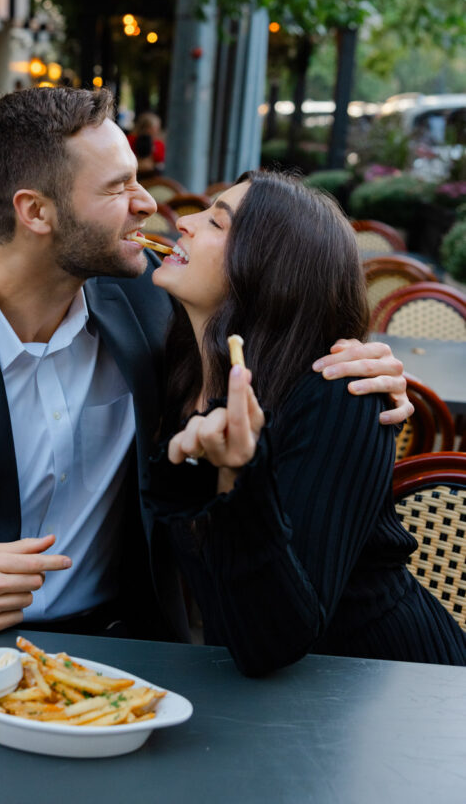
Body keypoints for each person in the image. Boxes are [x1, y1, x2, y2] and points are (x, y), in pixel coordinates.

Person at [0, 88, 411, 639]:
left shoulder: (155, 304)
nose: (150, 204)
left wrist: (364, 362)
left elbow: (270, 312)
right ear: (36, 212)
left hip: (143, 651)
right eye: (118, 187)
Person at [145, 170, 466, 674]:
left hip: (386, 688)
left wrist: (239, 481)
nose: (183, 222)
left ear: (268, 269)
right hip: (250, 697)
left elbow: (275, 641)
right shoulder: (175, 375)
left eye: (217, 223)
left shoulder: (343, 394)